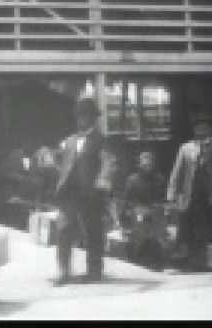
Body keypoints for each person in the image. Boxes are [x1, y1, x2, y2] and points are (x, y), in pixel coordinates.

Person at [167, 111, 212, 272]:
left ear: (211, 130)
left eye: (205, 127)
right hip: (191, 197)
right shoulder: (186, 148)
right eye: (198, 127)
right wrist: (172, 195)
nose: (201, 131)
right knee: (189, 229)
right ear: (194, 130)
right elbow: (176, 173)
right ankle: (192, 263)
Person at [53, 98, 114, 285]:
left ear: (93, 118)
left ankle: (94, 271)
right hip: (69, 193)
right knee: (64, 229)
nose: (82, 119)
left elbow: (108, 162)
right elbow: (60, 161)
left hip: (91, 193)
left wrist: (102, 180)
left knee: (93, 231)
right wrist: (55, 165)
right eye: (80, 115)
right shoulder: (70, 141)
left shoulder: (101, 140)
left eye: (86, 116)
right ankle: (63, 272)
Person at [121, 151, 167, 270]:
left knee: (156, 233)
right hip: (139, 211)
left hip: (155, 211)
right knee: (141, 230)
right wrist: (125, 216)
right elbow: (126, 200)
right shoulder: (132, 180)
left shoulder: (159, 179)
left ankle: (156, 260)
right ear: (140, 165)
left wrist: (161, 208)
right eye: (145, 165)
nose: (147, 167)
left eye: (150, 165)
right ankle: (139, 258)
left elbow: (163, 198)